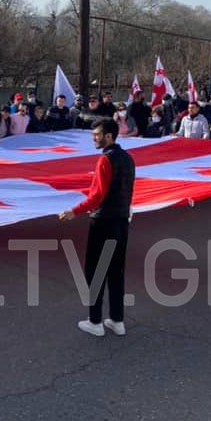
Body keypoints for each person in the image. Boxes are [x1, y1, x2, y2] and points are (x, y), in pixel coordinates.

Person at [58, 119, 136, 337]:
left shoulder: (105, 159)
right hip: (121, 221)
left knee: (96, 271)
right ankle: (117, 320)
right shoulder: (129, 159)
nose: (94, 138)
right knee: (116, 271)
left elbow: (98, 196)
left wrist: (74, 210)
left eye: (97, 135)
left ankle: (95, 321)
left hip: (103, 222)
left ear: (108, 136)